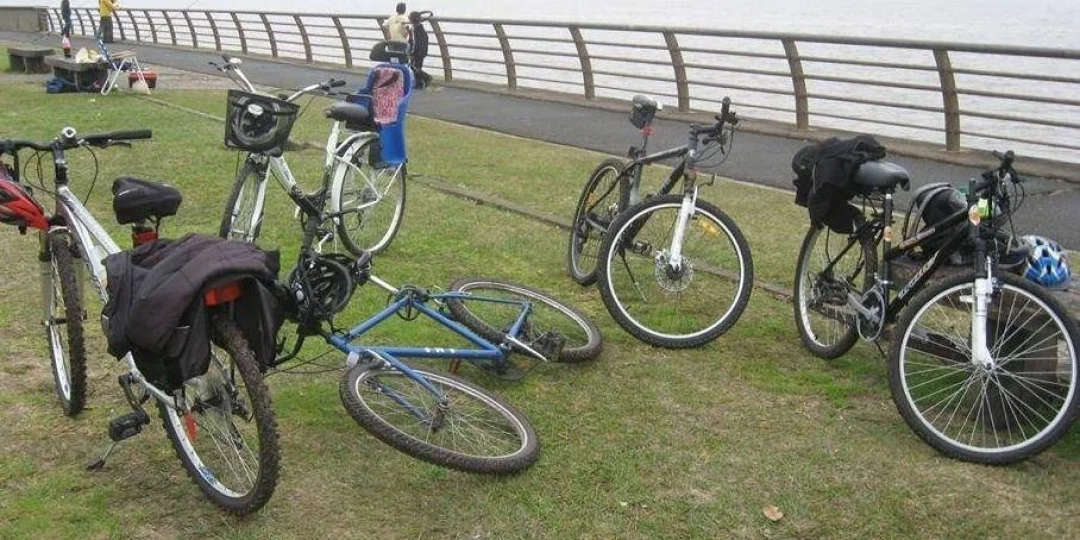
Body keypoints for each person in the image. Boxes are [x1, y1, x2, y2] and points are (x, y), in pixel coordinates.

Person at [409, 11, 433, 89]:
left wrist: (412, 53)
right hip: (423, 51)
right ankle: (419, 83)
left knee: (413, 67)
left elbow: (415, 43)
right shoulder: (421, 28)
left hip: (417, 52)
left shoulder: (415, 29)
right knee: (418, 66)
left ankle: (427, 77)